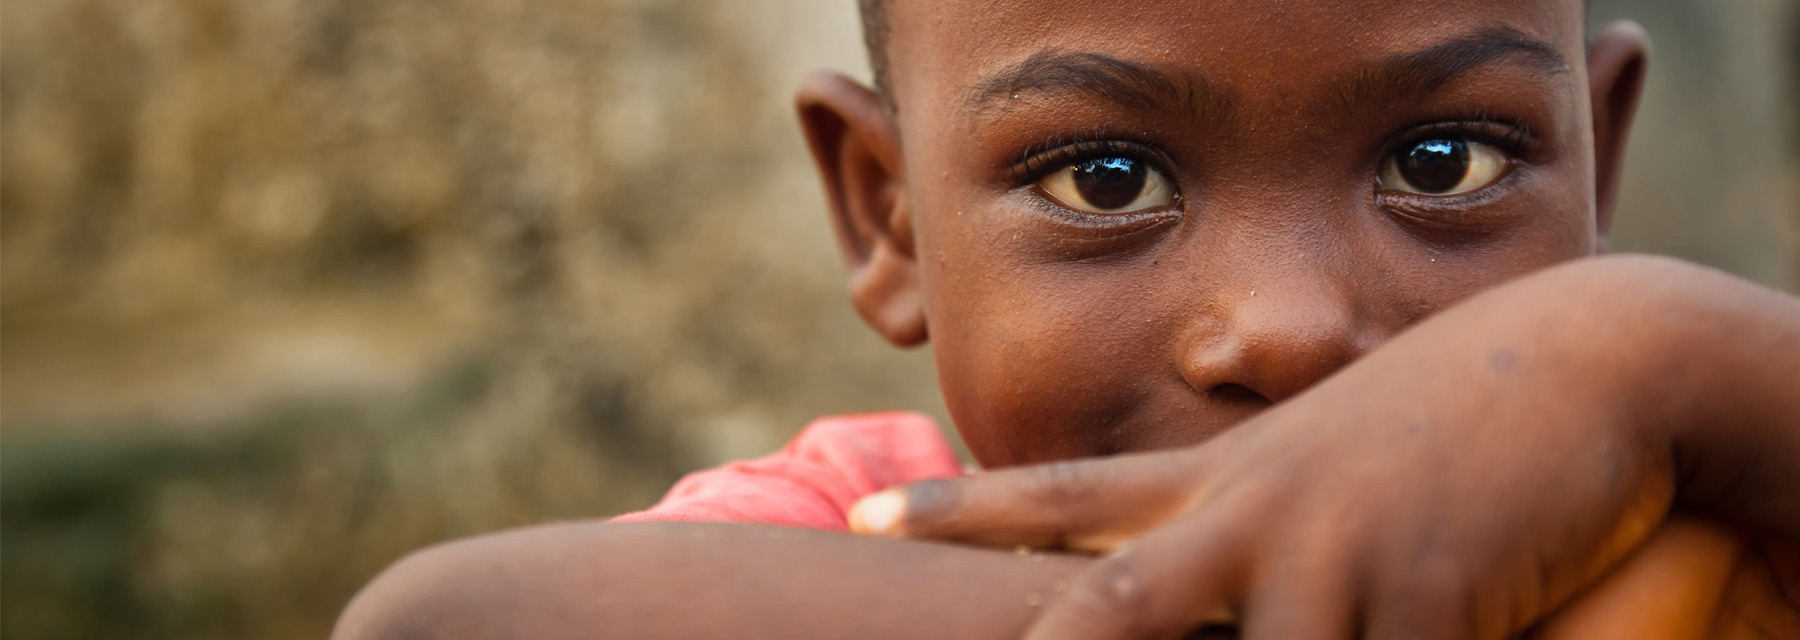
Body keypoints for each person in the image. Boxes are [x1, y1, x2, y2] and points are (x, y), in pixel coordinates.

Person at [332, 0, 1800, 637]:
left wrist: (1661, 354)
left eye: (1442, 164)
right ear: (888, 216)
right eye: (1108, 180)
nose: (1285, 331)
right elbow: (447, 627)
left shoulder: (1704, 498)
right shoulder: (840, 545)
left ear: (1596, 155)